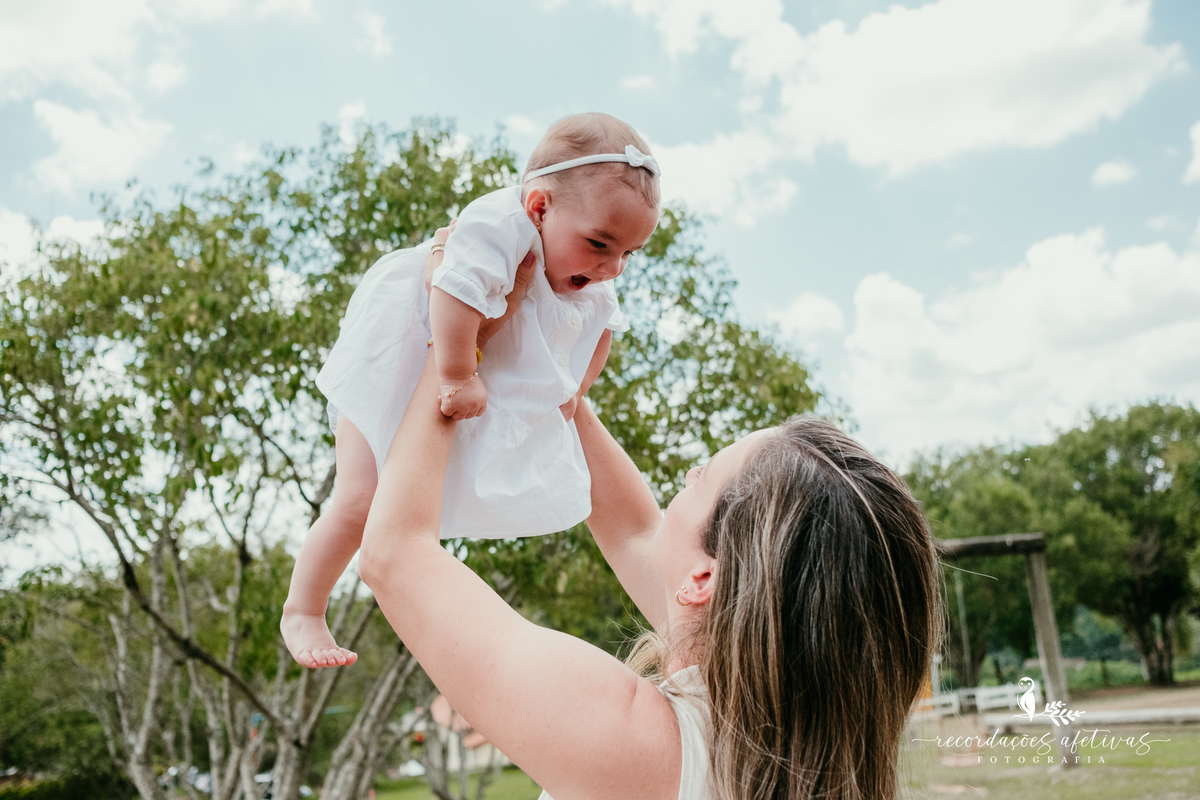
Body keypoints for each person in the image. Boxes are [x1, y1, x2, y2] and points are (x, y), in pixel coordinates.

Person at [356, 239, 943, 800]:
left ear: (704, 579)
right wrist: (552, 371)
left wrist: (459, 346)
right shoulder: (787, 737)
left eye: (699, 476)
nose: (682, 481)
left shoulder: (631, 738)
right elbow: (634, 531)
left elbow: (396, 555)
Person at [282, 112, 662, 668]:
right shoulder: (497, 226)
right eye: (601, 244)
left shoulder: (593, 274)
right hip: (408, 343)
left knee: (415, 495)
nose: (612, 268)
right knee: (359, 499)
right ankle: (303, 610)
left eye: (629, 253)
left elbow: (604, 330)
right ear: (539, 207)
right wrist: (458, 373)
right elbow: (452, 293)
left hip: (471, 358)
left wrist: (577, 389)